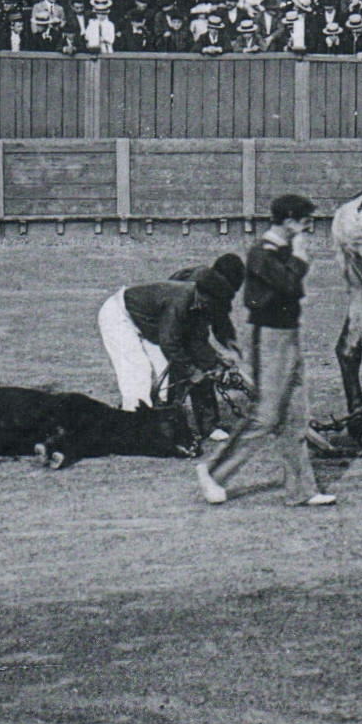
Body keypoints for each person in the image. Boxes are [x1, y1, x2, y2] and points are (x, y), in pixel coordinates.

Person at [198, 194, 334, 507]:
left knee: (295, 417)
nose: (307, 227)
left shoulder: (280, 251)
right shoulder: (261, 253)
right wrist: (300, 261)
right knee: (266, 415)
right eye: (303, 220)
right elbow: (289, 286)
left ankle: (302, 490)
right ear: (288, 221)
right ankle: (214, 472)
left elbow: (291, 286)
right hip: (270, 339)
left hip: (288, 335)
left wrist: (295, 264)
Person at [98, 257, 241, 439]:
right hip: (119, 316)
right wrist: (192, 372)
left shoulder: (198, 304)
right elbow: (170, 343)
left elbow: (196, 342)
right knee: (137, 371)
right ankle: (134, 430)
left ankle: (169, 424)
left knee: (164, 377)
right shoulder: (180, 300)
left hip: (148, 323)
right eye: (210, 303)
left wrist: (216, 359)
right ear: (203, 295)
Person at [170, 253, 249, 441]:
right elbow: (193, 337)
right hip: (173, 325)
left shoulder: (220, 286)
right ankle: (173, 422)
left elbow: (221, 318)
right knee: (187, 369)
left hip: (187, 328)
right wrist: (214, 358)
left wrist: (230, 342)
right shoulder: (194, 286)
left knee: (202, 365)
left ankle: (207, 425)